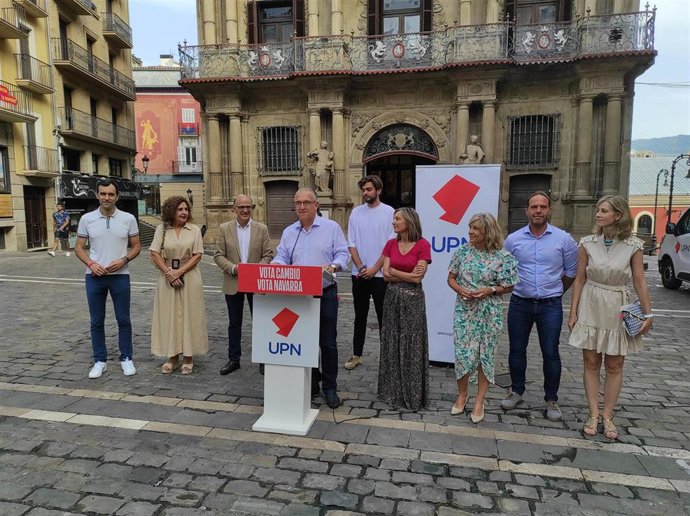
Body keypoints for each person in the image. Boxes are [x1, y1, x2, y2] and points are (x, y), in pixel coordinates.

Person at [568, 195, 653, 440]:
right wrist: (573, 312)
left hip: (618, 304)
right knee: (591, 362)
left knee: (615, 365)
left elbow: (639, 281)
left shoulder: (634, 246)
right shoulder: (586, 243)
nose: (598, 214)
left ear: (618, 215)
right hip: (591, 304)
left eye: (603, 210)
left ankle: (608, 415)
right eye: (597, 210)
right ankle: (593, 414)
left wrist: (648, 313)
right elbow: (580, 279)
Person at [502, 191, 578, 421]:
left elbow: (571, 273)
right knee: (516, 350)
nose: (538, 211)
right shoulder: (513, 240)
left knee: (551, 353)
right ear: (526, 210)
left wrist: (554, 291)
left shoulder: (564, 239)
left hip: (550, 306)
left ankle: (551, 400)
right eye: (534, 207)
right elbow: (506, 271)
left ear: (549, 210)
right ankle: (516, 391)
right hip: (520, 303)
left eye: (542, 207)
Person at [272, 187, 349, 409]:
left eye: (306, 202)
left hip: (325, 292)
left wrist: (334, 265)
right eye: (298, 203)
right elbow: (282, 257)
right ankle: (312, 381)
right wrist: (274, 267)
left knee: (328, 343)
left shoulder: (331, 228)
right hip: (299, 295)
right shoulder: (289, 232)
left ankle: (330, 387)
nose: (302, 206)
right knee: (303, 341)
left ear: (316, 205)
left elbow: (343, 254)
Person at [447, 213, 518, 423]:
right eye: (470, 227)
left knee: (485, 355)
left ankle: (480, 400)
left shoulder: (503, 257)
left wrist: (491, 290)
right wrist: (460, 290)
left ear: (488, 231)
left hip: (490, 312)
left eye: (475, 229)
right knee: (462, 354)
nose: (470, 232)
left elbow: (511, 285)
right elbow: (450, 278)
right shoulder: (462, 251)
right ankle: (462, 395)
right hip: (465, 310)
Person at [75, 180, 141, 379]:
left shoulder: (128, 219)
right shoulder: (87, 219)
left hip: (120, 276)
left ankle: (126, 358)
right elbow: (78, 247)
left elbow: (137, 246)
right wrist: (91, 264)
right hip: (95, 277)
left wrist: (124, 259)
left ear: (117, 197)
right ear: (97, 195)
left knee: (123, 319)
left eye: (111, 194)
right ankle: (99, 360)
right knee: (96, 321)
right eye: (103, 194)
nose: (106, 198)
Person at [378, 207, 432, 410]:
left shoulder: (423, 245)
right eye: (393, 219)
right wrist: (406, 275)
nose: (393, 222)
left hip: (413, 300)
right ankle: (392, 391)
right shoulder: (390, 244)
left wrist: (395, 272)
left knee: (412, 343)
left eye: (397, 219)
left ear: (409, 221)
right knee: (392, 341)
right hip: (392, 298)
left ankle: (412, 393)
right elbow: (385, 275)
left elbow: (418, 277)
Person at [214, 194, 273, 375]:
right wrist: (232, 268)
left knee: (261, 322)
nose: (245, 210)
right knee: (234, 322)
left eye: (248, 207)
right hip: (233, 281)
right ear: (234, 209)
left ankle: (263, 359)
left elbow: (269, 254)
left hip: (256, 282)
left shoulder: (261, 229)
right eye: (241, 207)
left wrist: (255, 270)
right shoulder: (224, 229)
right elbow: (218, 255)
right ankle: (234, 359)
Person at [149, 196, 208, 375]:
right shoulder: (162, 229)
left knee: (190, 315)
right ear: (171, 211)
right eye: (180, 209)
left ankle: (188, 356)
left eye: (186, 209)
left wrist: (179, 272)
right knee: (170, 316)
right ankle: (172, 356)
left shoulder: (194, 230)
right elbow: (154, 253)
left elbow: (198, 255)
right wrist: (169, 273)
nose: (184, 212)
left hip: (189, 276)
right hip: (167, 277)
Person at [344, 175, 394, 370]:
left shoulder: (389, 212)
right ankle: (357, 354)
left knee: (384, 318)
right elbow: (352, 243)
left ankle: (387, 358)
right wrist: (361, 266)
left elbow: (390, 245)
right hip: (359, 274)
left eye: (369, 189)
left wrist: (375, 268)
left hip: (381, 275)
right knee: (360, 316)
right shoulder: (356, 213)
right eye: (364, 189)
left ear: (378, 191)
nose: (366, 193)